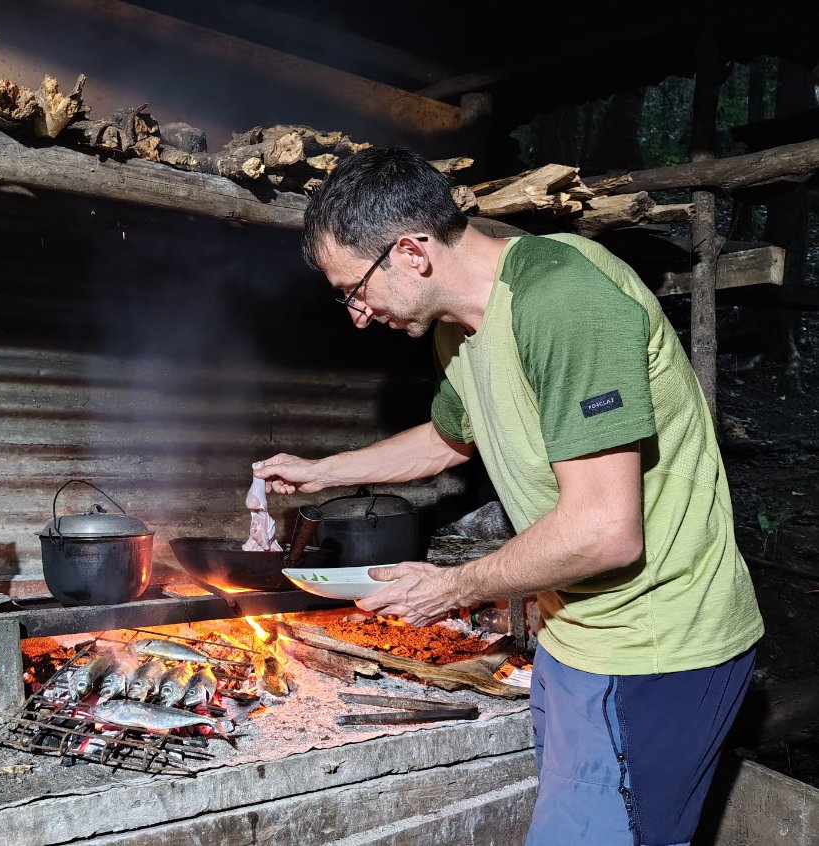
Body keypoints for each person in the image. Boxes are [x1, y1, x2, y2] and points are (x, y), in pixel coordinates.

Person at [252, 146, 764, 846]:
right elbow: (449, 438)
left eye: (355, 290)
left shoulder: (564, 301)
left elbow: (607, 531)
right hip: (572, 635)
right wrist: (323, 472)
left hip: (655, 647)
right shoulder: (457, 328)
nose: (357, 315)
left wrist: (452, 586)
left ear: (411, 251)